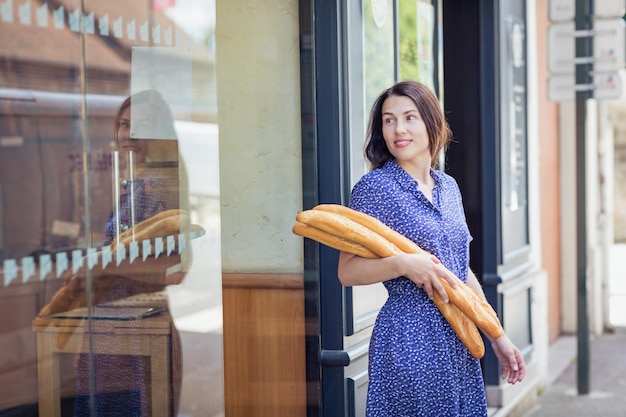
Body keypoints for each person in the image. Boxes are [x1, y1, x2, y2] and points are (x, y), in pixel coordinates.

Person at [336, 80, 526, 416]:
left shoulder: (448, 187)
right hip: (410, 337)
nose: (398, 129)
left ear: (431, 122)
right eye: (389, 120)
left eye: (410, 118)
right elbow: (347, 270)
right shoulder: (374, 188)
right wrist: (405, 265)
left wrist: (497, 335)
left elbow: (460, 270)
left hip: (461, 338)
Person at [72, 89, 190, 417]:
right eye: (123, 125)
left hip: (135, 333)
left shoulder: (156, 185)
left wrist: (103, 264)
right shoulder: (134, 181)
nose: (128, 134)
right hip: (115, 329)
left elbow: (173, 269)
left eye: (138, 125)